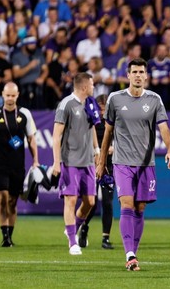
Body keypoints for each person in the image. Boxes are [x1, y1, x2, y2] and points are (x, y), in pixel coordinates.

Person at [96, 58, 170, 271]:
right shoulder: (115, 99)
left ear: (146, 76)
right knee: (126, 204)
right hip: (122, 162)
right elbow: (108, 133)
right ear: (128, 75)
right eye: (135, 72)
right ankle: (129, 254)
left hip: (146, 164)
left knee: (140, 208)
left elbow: (164, 129)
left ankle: (133, 251)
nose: (139, 75)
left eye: (142, 71)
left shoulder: (155, 99)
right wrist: (102, 160)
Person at [0, 82, 40, 247]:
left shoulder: (25, 114)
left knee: (12, 201)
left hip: (17, 165)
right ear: (2, 95)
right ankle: (4, 236)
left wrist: (35, 160)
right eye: (7, 95)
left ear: (17, 95)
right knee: (2, 198)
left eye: (13, 95)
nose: (10, 98)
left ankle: (10, 236)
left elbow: (31, 139)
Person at [51, 73, 99, 255]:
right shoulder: (66, 105)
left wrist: (97, 150)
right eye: (92, 85)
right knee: (70, 200)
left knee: (90, 202)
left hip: (88, 161)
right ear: (85, 87)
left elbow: (92, 126)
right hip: (70, 161)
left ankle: (73, 227)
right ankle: (72, 242)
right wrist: (57, 162)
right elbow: (56, 136)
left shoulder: (90, 103)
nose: (94, 88)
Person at [79, 94, 115, 250]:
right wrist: (96, 152)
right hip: (92, 164)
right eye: (100, 108)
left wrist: (113, 149)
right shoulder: (91, 121)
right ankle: (84, 227)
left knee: (107, 202)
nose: (102, 112)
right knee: (91, 202)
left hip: (109, 165)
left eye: (105, 108)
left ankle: (105, 238)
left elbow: (121, 139)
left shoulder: (114, 121)